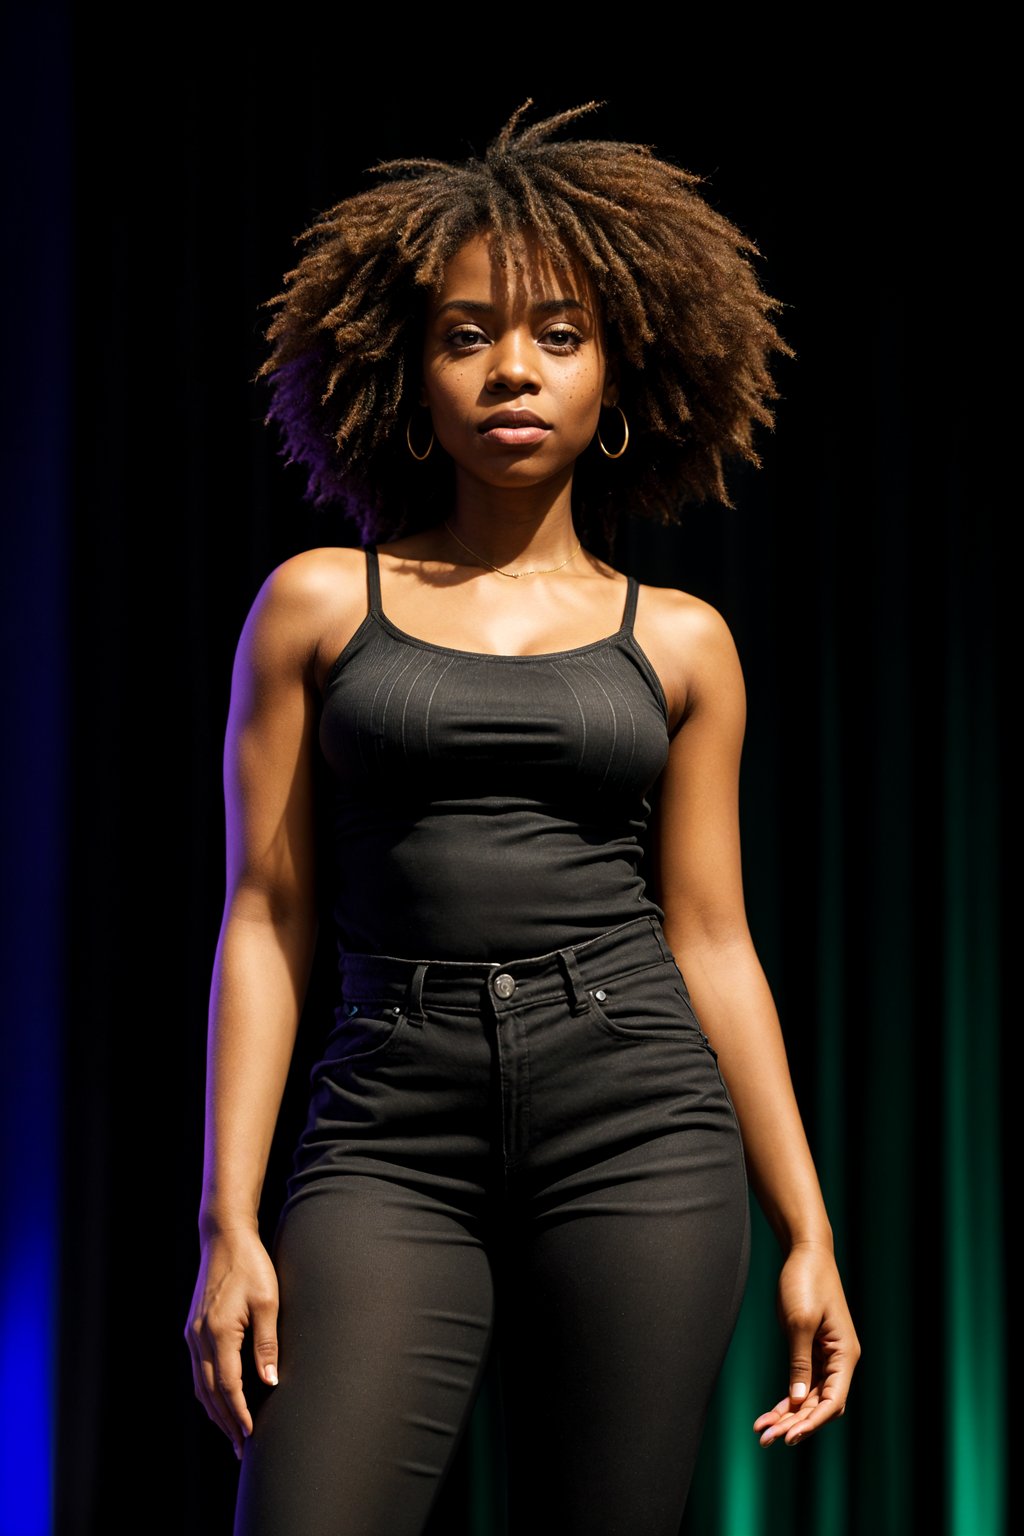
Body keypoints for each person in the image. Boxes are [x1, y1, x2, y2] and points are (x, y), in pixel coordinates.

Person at [185, 101, 860, 1535]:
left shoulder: (680, 640)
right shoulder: (318, 602)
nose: (513, 368)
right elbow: (267, 914)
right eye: (467, 333)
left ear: (619, 374)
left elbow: (715, 940)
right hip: (388, 1123)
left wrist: (810, 1229)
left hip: (636, 1114)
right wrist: (226, 1221)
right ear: (404, 372)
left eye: (559, 334)